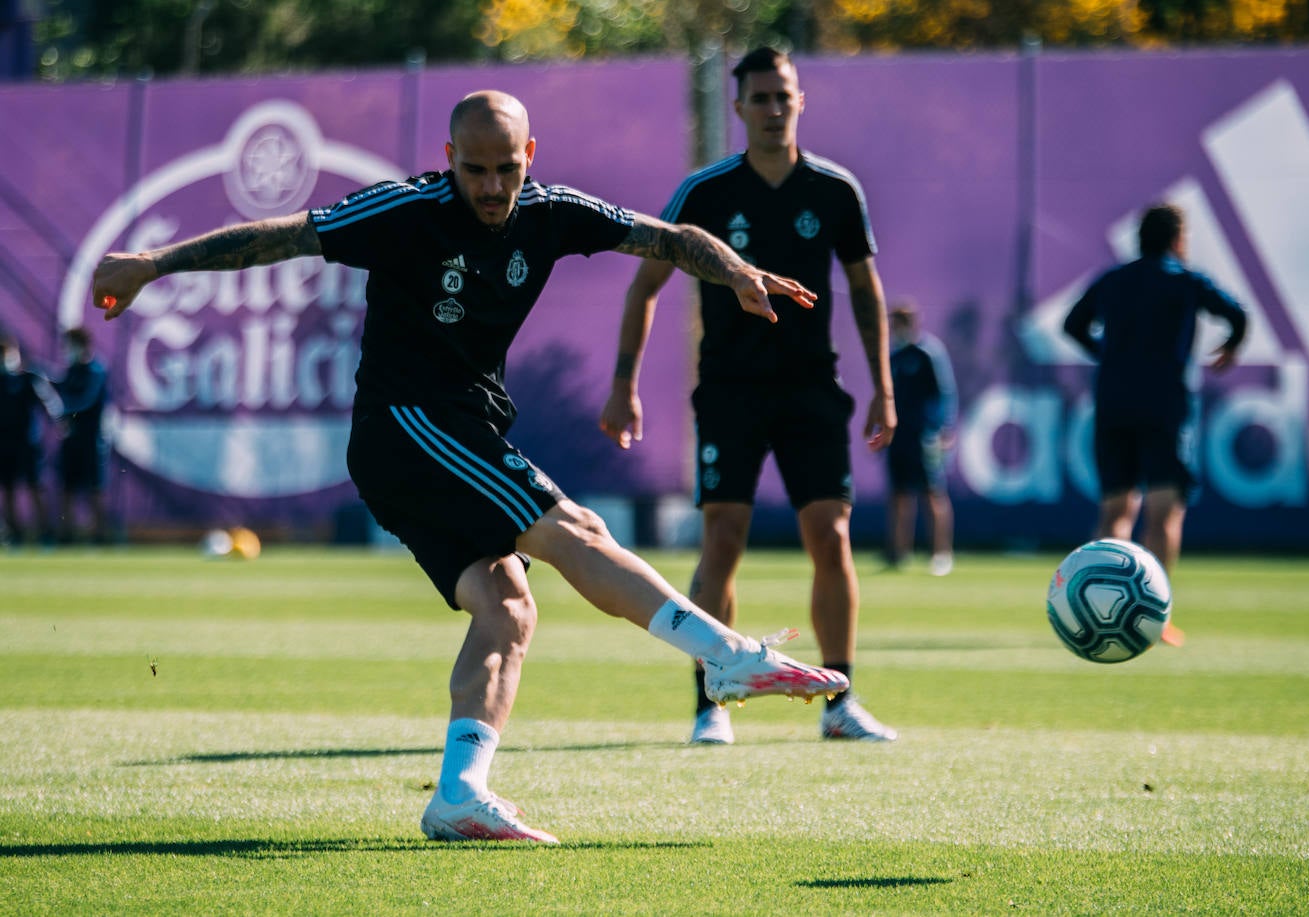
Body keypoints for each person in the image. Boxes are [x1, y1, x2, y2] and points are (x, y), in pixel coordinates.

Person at [92, 90, 849, 845]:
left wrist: (737, 272)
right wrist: (153, 264)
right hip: (407, 424)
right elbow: (282, 236)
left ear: (530, 157)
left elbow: (672, 237)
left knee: (508, 604)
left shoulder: (552, 212)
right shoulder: (404, 211)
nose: (490, 187)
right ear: (450, 159)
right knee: (574, 528)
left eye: (505, 170)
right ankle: (725, 657)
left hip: (456, 428)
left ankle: (459, 792)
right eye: (475, 169)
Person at [600, 47, 897, 745]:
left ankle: (840, 699)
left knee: (831, 535)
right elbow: (645, 288)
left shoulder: (834, 191)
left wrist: (884, 387)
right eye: (759, 98)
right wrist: (624, 384)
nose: (772, 109)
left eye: (783, 97)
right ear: (737, 108)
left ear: (801, 102)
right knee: (723, 540)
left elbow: (864, 290)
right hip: (730, 391)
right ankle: (711, 702)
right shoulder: (705, 194)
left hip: (812, 390)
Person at [1063, 203, 1246, 645]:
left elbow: (1074, 324)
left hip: (1114, 402)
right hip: (1165, 405)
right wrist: (1229, 348)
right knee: (1164, 512)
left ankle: (1094, 609)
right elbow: (1236, 315)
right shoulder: (1185, 280)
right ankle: (1156, 617)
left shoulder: (1114, 280)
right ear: (1177, 239)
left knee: (1115, 510)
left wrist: (1107, 353)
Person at [884, 302, 957, 575]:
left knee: (932, 493)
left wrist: (942, 429)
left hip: (924, 436)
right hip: (898, 435)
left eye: (898, 322)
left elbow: (944, 394)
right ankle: (898, 553)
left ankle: (941, 554)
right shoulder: (893, 355)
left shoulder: (927, 353)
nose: (894, 328)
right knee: (899, 495)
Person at [0, 333, 62, 546]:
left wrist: (60, 422)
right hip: (4, 444)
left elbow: (50, 403)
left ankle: (46, 533)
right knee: (7, 489)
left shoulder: (29, 378)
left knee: (35, 487)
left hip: (27, 444)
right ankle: (14, 533)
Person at [53, 327, 110, 544]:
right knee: (67, 487)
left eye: (71, 345)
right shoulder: (70, 371)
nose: (67, 350)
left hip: (92, 439)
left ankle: (100, 534)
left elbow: (86, 400)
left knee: (95, 488)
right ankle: (66, 534)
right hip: (71, 439)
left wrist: (64, 410)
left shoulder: (96, 370)